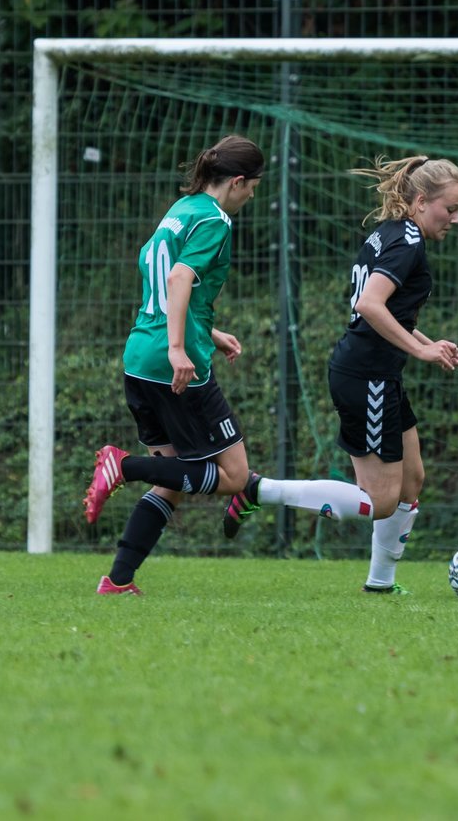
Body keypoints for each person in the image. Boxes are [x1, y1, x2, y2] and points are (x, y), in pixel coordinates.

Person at [85, 135, 375, 595]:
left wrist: (207, 330)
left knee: (175, 478)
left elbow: (158, 274)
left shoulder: (181, 209)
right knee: (235, 476)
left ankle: (118, 580)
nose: (252, 196)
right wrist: (180, 346)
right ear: (238, 181)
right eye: (253, 188)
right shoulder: (215, 220)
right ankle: (123, 466)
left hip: (139, 357)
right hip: (175, 364)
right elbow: (180, 277)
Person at [221, 155, 458, 595]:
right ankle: (261, 490)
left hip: (379, 372)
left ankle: (380, 584)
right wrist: (420, 350)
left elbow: (385, 311)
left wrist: (425, 343)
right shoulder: (407, 242)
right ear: (420, 200)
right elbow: (368, 306)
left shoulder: (391, 233)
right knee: (379, 502)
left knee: (412, 481)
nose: (455, 218)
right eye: (449, 209)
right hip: (367, 375)